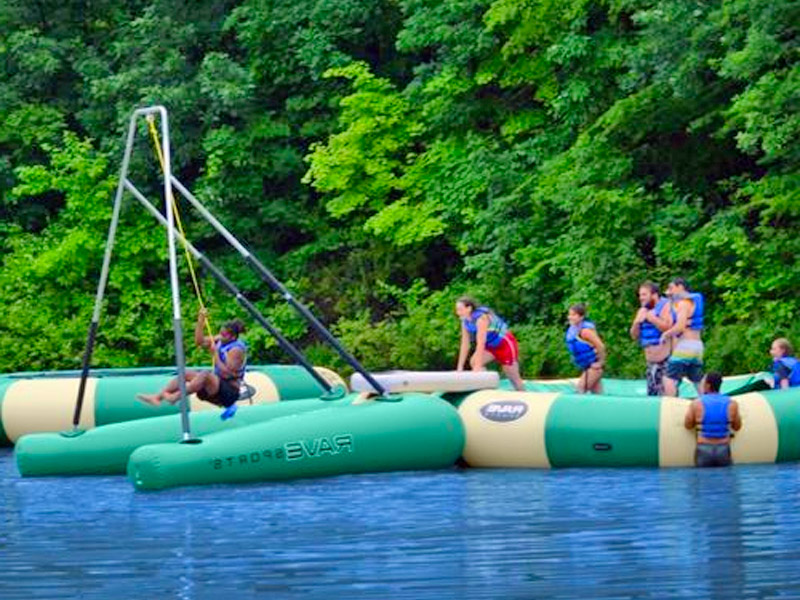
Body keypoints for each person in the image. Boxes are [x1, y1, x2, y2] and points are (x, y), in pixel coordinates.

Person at [137, 308, 247, 413]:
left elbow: (227, 374)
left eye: (224, 335)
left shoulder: (236, 350)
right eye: (220, 333)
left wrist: (215, 354)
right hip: (216, 386)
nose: (220, 337)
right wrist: (200, 321)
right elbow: (199, 342)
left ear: (232, 337)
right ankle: (157, 398)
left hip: (230, 391)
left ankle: (175, 397)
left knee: (205, 374)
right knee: (186, 374)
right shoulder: (221, 339)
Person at [455, 297, 525, 391]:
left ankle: (523, 394)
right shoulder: (465, 322)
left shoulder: (481, 318)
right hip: (491, 347)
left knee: (513, 378)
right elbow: (465, 344)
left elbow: (481, 343)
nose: (458, 313)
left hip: (505, 345)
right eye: (457, 310)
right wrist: (460, 367)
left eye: (460, 309)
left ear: (469, 308)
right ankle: (488, 391)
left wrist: (477, 368)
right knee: (474, 362)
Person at [684, 372, 742, 467]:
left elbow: (687, 425)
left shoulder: (696, 403)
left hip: (703, 449)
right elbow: (737, 427)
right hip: (723, 449)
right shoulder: (732, 404)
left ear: (708, 385)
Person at [660, 277, 704, 397]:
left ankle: (671, 404)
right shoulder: (692, 302)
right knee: (697, 379)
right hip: (698, 347)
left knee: (668, 378)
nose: (669, 291)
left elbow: (679, 327)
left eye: (671, 288)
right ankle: (706, 401)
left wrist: (665, 334)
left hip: (685, 346)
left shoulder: (684, 303)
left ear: (680, 287)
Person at [629, 281, 674, 396]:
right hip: (650, 362)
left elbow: (668, 327)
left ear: (654, 295)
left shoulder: (665, 305)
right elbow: (634, 336)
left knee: (664, 395)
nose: (641, 298)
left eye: (644, 295)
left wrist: (650, 317)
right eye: (640, 295)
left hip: (665, 360)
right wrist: (637, 322)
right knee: (652, 395)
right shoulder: (642, 310)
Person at [565, 303, 606, 394]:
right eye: (570, 314)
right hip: (587, 367)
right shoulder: (573, 330)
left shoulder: (585, 331)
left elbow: (601, 346)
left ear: (581, 317)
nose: (570, 317)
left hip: (594, 367)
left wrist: (601, 362)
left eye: (574, 315)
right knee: (598, 395)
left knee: (580, 389)